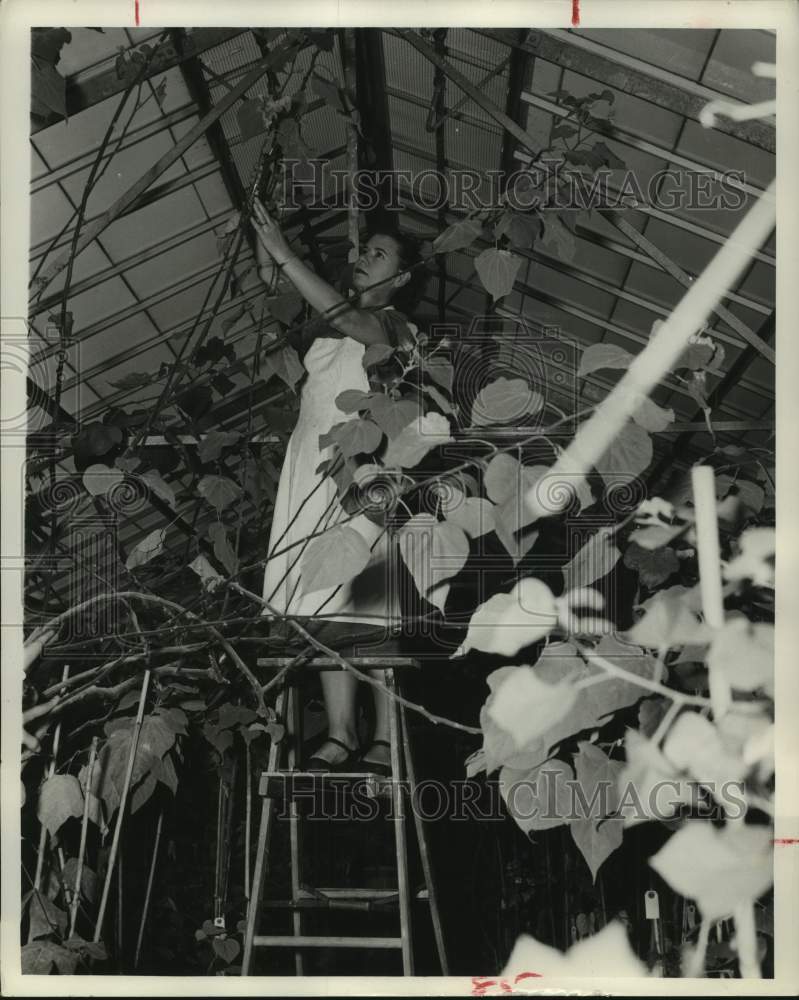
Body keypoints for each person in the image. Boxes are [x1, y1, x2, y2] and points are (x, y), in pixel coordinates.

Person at [251, 196, 426, 774]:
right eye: (362, 251)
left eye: (378, 255)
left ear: (399, 278)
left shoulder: (391, 326)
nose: (362, 259)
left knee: (369, 601)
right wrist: (261, 225)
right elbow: (273, 282)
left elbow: (350, 318)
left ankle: (386, 737)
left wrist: (282, 248)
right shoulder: (327, 327)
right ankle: (343, 733)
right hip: (313, 470)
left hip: (364, 474)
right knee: (322, 603)